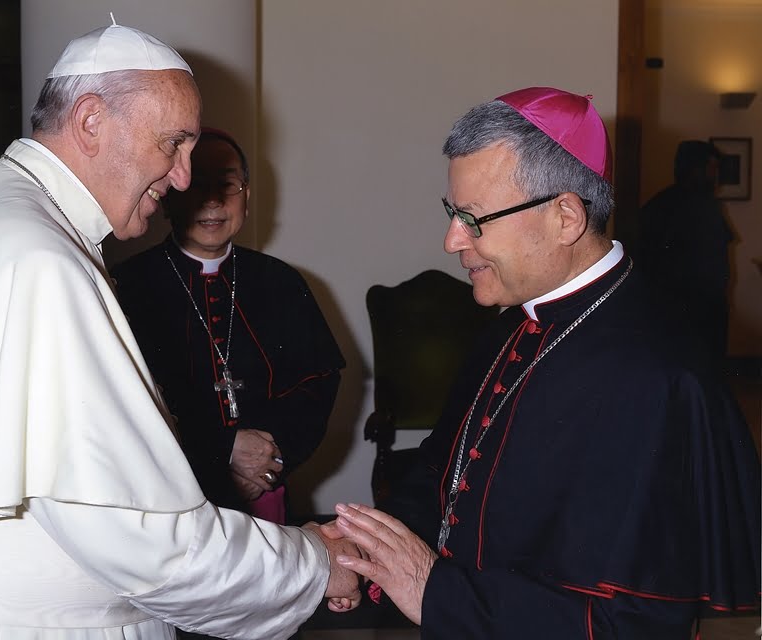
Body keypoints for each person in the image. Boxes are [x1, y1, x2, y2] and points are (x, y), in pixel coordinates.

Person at [0, 20, 360, 640]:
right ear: (90, 121)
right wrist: (309, 562)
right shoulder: (41, 257)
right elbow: (145, 541)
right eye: (173, 143)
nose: (183, 177)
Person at [324, 87, 761, 637]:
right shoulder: (513, 324)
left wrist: (436, 591)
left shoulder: (655, 379)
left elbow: (633, 621)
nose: (451, 239)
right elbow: (445, 471)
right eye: (451, 212)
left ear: (565, 218)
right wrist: (362, 553)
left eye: (473, 218)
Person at [112, 128, 345, 526]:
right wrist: (223, 451)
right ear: (169, 197)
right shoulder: (128, 286)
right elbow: (122, 401)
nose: (214, 200)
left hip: (264, 488)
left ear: (248, 197)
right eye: (197, 185)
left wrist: (267, 461)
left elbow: (317, 383)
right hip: (168, 497)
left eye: (228, 184)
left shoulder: (282, 282)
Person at [637, 140, 733, 369]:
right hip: (693, 315)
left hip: (673, 316)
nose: (715, 175)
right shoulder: (700, 207)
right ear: (696, 168)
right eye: (712, 168)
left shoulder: (657, 205)